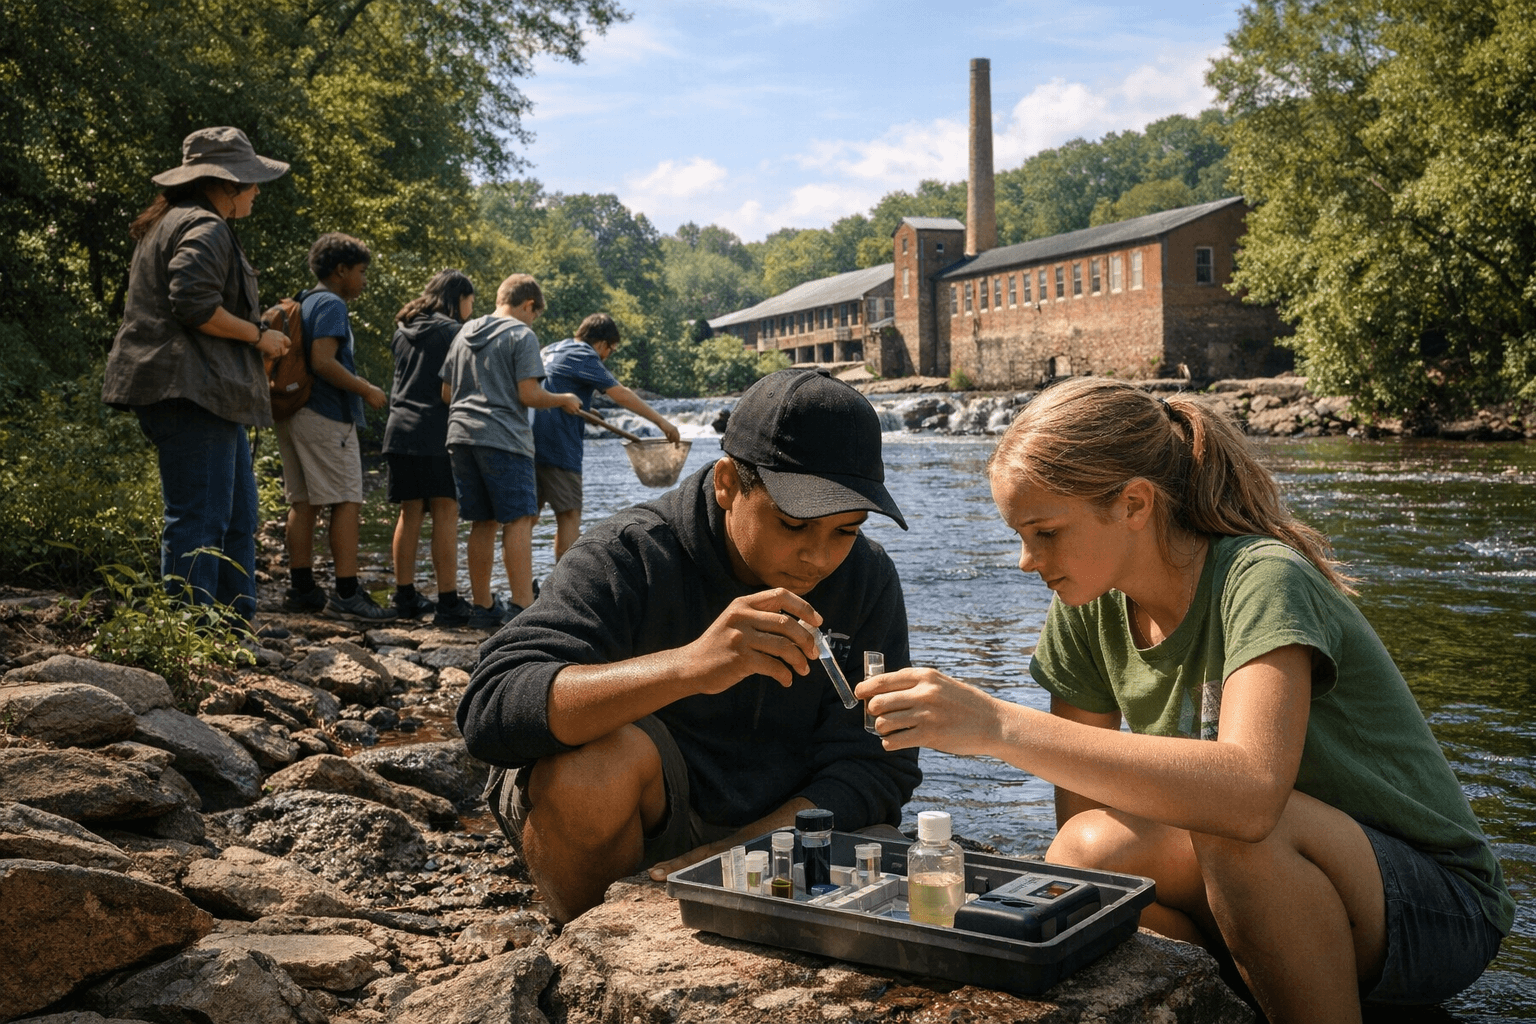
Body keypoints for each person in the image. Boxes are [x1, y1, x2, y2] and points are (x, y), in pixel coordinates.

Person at [858, 377, 1513, 1024]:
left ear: (1135, 505)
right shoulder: (1087, 604)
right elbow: (1091, 836)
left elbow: (1251, 794)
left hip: (1432, 911)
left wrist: (998, 725)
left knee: (1231, 827)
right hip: (1261, 891)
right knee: (1084, 860)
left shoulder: (1261, 577)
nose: (1027, 561)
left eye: (1046, 532)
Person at [458, 367, 922, 924]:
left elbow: (877, 764)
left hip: (781, 824)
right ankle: (593, 946)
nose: (819, 558)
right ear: (727, 483)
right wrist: (689, 667)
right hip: (642, 819)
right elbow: (490, 706)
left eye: (844, 530)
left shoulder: (867, 580)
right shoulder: (628, 554)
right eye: (794, 525)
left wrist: (744, 849)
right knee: (589, 773)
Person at [102, 126, 291, 626]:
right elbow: (194, 307)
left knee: (236, 517)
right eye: (249, 182)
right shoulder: (204, 226)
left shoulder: (174, 221)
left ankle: (231, 628)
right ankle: (195, 631)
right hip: (191, 392)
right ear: (224, 184)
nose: (255, 191)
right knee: (202, 518)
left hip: (202, 392)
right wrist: (259, 336)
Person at [438, 274, 580, 630]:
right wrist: (563, 400)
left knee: (481, 522)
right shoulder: (521, 334)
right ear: (528, 304)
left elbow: (445, 392)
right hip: (503, 439)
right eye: (535, 314)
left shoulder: (464, 331)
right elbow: (529, 395)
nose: (534, 321)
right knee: (518, 519)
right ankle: (521, 606)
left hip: (460, 436)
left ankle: (483, 607)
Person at [275, 232, 396, 622]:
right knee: (347, 500)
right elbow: (323, 360)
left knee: (304, 501)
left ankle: (302, 588)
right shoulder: (330, 302)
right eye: (361, 272)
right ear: (340, 270)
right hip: (326, 414)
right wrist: (367, 390)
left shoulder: (304, 300)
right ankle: (346, 592)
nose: (363, 280)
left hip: (293, 412)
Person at [532, 313, 681, 561]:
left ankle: (521, 594)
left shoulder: (552, 349)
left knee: (526, 519)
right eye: (610, 350)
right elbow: (620, 394)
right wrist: (662, 422)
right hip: (558, 445)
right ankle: (563, 591)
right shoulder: (585, 353)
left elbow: (549, 387)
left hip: (528, 441)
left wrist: (586, 409)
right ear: (601, 344)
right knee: (569, 514)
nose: (607, 355)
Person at [382, 269, 476, 625]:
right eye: (470, 300)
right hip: (436, 430)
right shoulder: (453, 332)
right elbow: (455, 389)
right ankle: (448, 601)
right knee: (445, 512)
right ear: (457, 299)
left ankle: (404, 596)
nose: (471, 308)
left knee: (409, 512)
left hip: (399, 429)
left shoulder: (402, 330)